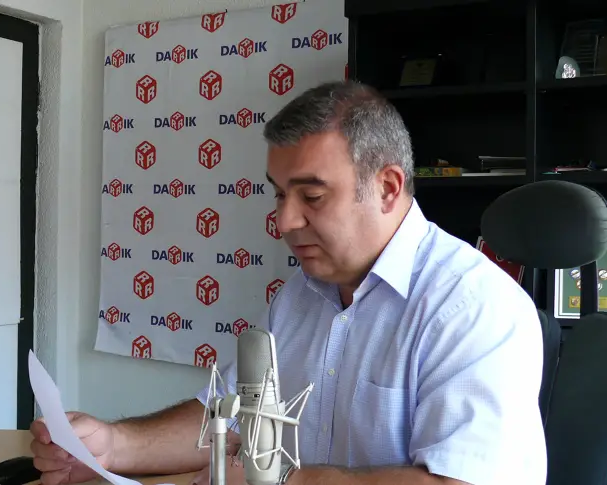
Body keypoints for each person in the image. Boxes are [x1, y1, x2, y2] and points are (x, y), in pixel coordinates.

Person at [29, 80, 547, 485]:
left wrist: (279, 480)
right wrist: (113, 446)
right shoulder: (298, 295)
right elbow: (232, 419)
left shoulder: (472, 307)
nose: (285, 221)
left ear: (388, 188)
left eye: (312, 197)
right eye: (279, 194)